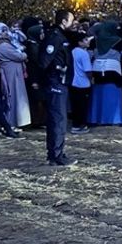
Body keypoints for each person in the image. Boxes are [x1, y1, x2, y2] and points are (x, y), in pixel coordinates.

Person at [38, 9, 75, 166]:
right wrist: (57, 71)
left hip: (61, 83)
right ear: (64, 21)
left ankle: (56, 153)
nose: (74, 23)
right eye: (71, 20)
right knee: (58, 120)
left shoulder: (61, 36)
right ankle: (56, 154)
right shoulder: (54, 37)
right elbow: (44, 61)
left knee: (59, 119)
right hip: (56, 83)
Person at [0, 23, 31, 130]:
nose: (6, 33)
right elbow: (20, 56)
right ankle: (9, 123)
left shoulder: (6, 45)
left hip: (14, 75)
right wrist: (24, 54)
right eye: (3, 31)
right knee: (11, 98)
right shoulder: (3, 46)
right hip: (10, 76)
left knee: (15, 98)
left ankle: (13, 122)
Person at [89, 21, 122, 126]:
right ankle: (113, 119)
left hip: (97, 69)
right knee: (113, 93)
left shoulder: (94, 41)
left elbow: (90, 55)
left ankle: (95, 118)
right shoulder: (118, 40)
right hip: (114, 70)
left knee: (97, 94)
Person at [69, 32, 93, 133]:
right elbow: (87, 70)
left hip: (73, 82)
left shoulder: (72, 51)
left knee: (75, 105)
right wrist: (91, 79)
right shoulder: (84, 54)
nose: (88, 41)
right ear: (79, 42)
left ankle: (75, 124)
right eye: (85, 40)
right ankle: (80, 125)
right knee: (82, 106)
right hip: (83, 83)